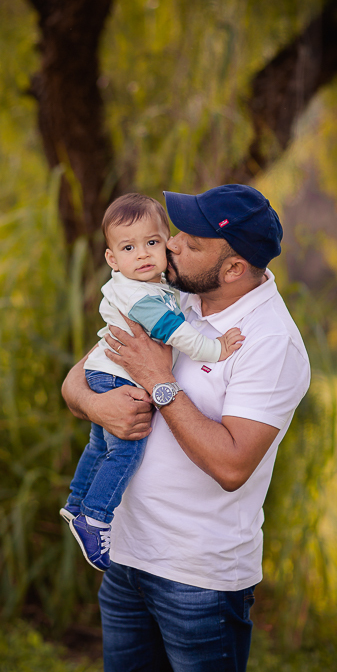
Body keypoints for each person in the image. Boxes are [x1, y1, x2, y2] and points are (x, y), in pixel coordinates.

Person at [62, 183, 311, 672]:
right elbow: (76, 381)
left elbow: (232, 464)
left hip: (198, 577)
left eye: (190, 242)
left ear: (234, 268)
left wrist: (159, 382)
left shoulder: (270, 341)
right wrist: (97, 406)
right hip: (126, 557)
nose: (168, 245)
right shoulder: (168, 293)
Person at [61, 193, 243, 571]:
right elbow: (171, 330)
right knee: (125, 450)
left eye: (152, 243)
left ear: (166, 246)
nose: (142, 254)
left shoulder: (156, 287)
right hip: (114, 376)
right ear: (112, 259)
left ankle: (77, 501)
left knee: (99, 444)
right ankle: (95, 518)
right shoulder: (137, 294)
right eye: (129, 247)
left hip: (105, 371)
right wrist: (216, 349)